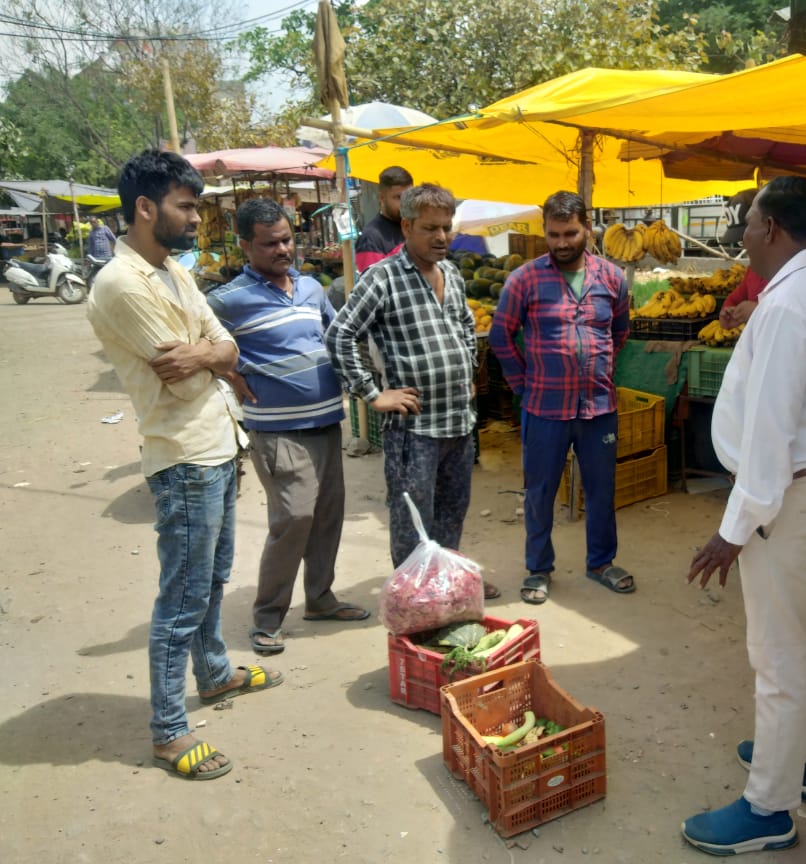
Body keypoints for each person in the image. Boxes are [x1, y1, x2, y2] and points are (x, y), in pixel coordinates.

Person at [683, 176, 806, 854]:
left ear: (777, 228)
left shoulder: (791, 305)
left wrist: (732, 530)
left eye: (749, 222)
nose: (742, 235)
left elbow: (768, 436)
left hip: (784, 498)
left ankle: (770, 808)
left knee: (778, 654)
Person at [87, 150, 282, 782]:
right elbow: (180, 381)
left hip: (219, 443)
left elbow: (223, 346)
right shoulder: (120, 283)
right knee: (183, 596)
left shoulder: (171, 270)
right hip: (184, 455)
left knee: (215, 576)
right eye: (186, 205)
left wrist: (208, 353)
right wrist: (212, 356)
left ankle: (216, 672)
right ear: (145, 208)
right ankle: (170, 731)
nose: (196, 218)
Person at [206, 198, 369, 657]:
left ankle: (320, 599)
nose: (282, 250)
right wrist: (228, 373)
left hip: (325, 422)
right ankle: (268, 616)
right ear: (245, 246)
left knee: (326, 516)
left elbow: (334, 336)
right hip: (277, 430)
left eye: (286, 240)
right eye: (269, 244)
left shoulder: (311, 288)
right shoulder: (226, 300)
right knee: (295, 516)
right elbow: (200, 344)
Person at [326, 184, 498, 597]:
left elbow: (462, 326)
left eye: (447, 228)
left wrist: (468, 373)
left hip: (458, 422)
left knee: (452, 512)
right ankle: (413, 600)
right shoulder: (382, 277)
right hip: (415, 429)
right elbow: (340, 335)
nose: (441, 237)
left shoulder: (452, 274)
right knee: (412, 519)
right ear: (406, 226)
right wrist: (371, 395)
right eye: (430, 229)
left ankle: (447, 587)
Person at [489, 191, 634, 605]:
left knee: (602, 489)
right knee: (539, 491)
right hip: (544, 409)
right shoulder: (525, 279)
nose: (562, 242)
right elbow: (501, 336)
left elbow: (619, 332)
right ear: (545, 232)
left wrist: (599, 367)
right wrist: (522, 386)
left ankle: (601, 562)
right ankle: (538, 568)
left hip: (598, 408)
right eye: (554, 234)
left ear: (587, 228)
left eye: (570, 232)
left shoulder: (612, 278)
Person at [354, 165, 413, 272]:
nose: (405, 203)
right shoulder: (371, 238)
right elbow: (371, 283)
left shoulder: (412, 227)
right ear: (382, 198)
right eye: (398, 197)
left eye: (409, 196)